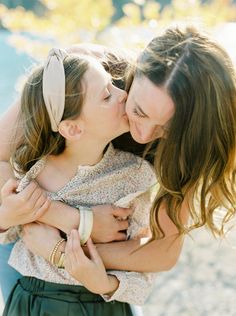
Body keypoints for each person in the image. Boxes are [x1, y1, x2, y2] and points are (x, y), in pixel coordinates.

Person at [0, 25, 235, 302]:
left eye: (167, 130)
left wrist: (64, 252)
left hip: (82, 260)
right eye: (138, 111)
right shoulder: (85, 73)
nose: (145, 134)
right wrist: (69, 220)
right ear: (133, 75)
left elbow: (164, 251)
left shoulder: (190, 143)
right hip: (27, 252)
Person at [0, 47, 160, 315]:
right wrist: (7, 216)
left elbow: (144, 271)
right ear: (72, 128)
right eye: (108, 95)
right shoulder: (29, 173)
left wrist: (107, 283)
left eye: (114, 86)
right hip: (32, 305)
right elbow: (11, 235)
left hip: (103, 307)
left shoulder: (135, 176)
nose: (125, 95)